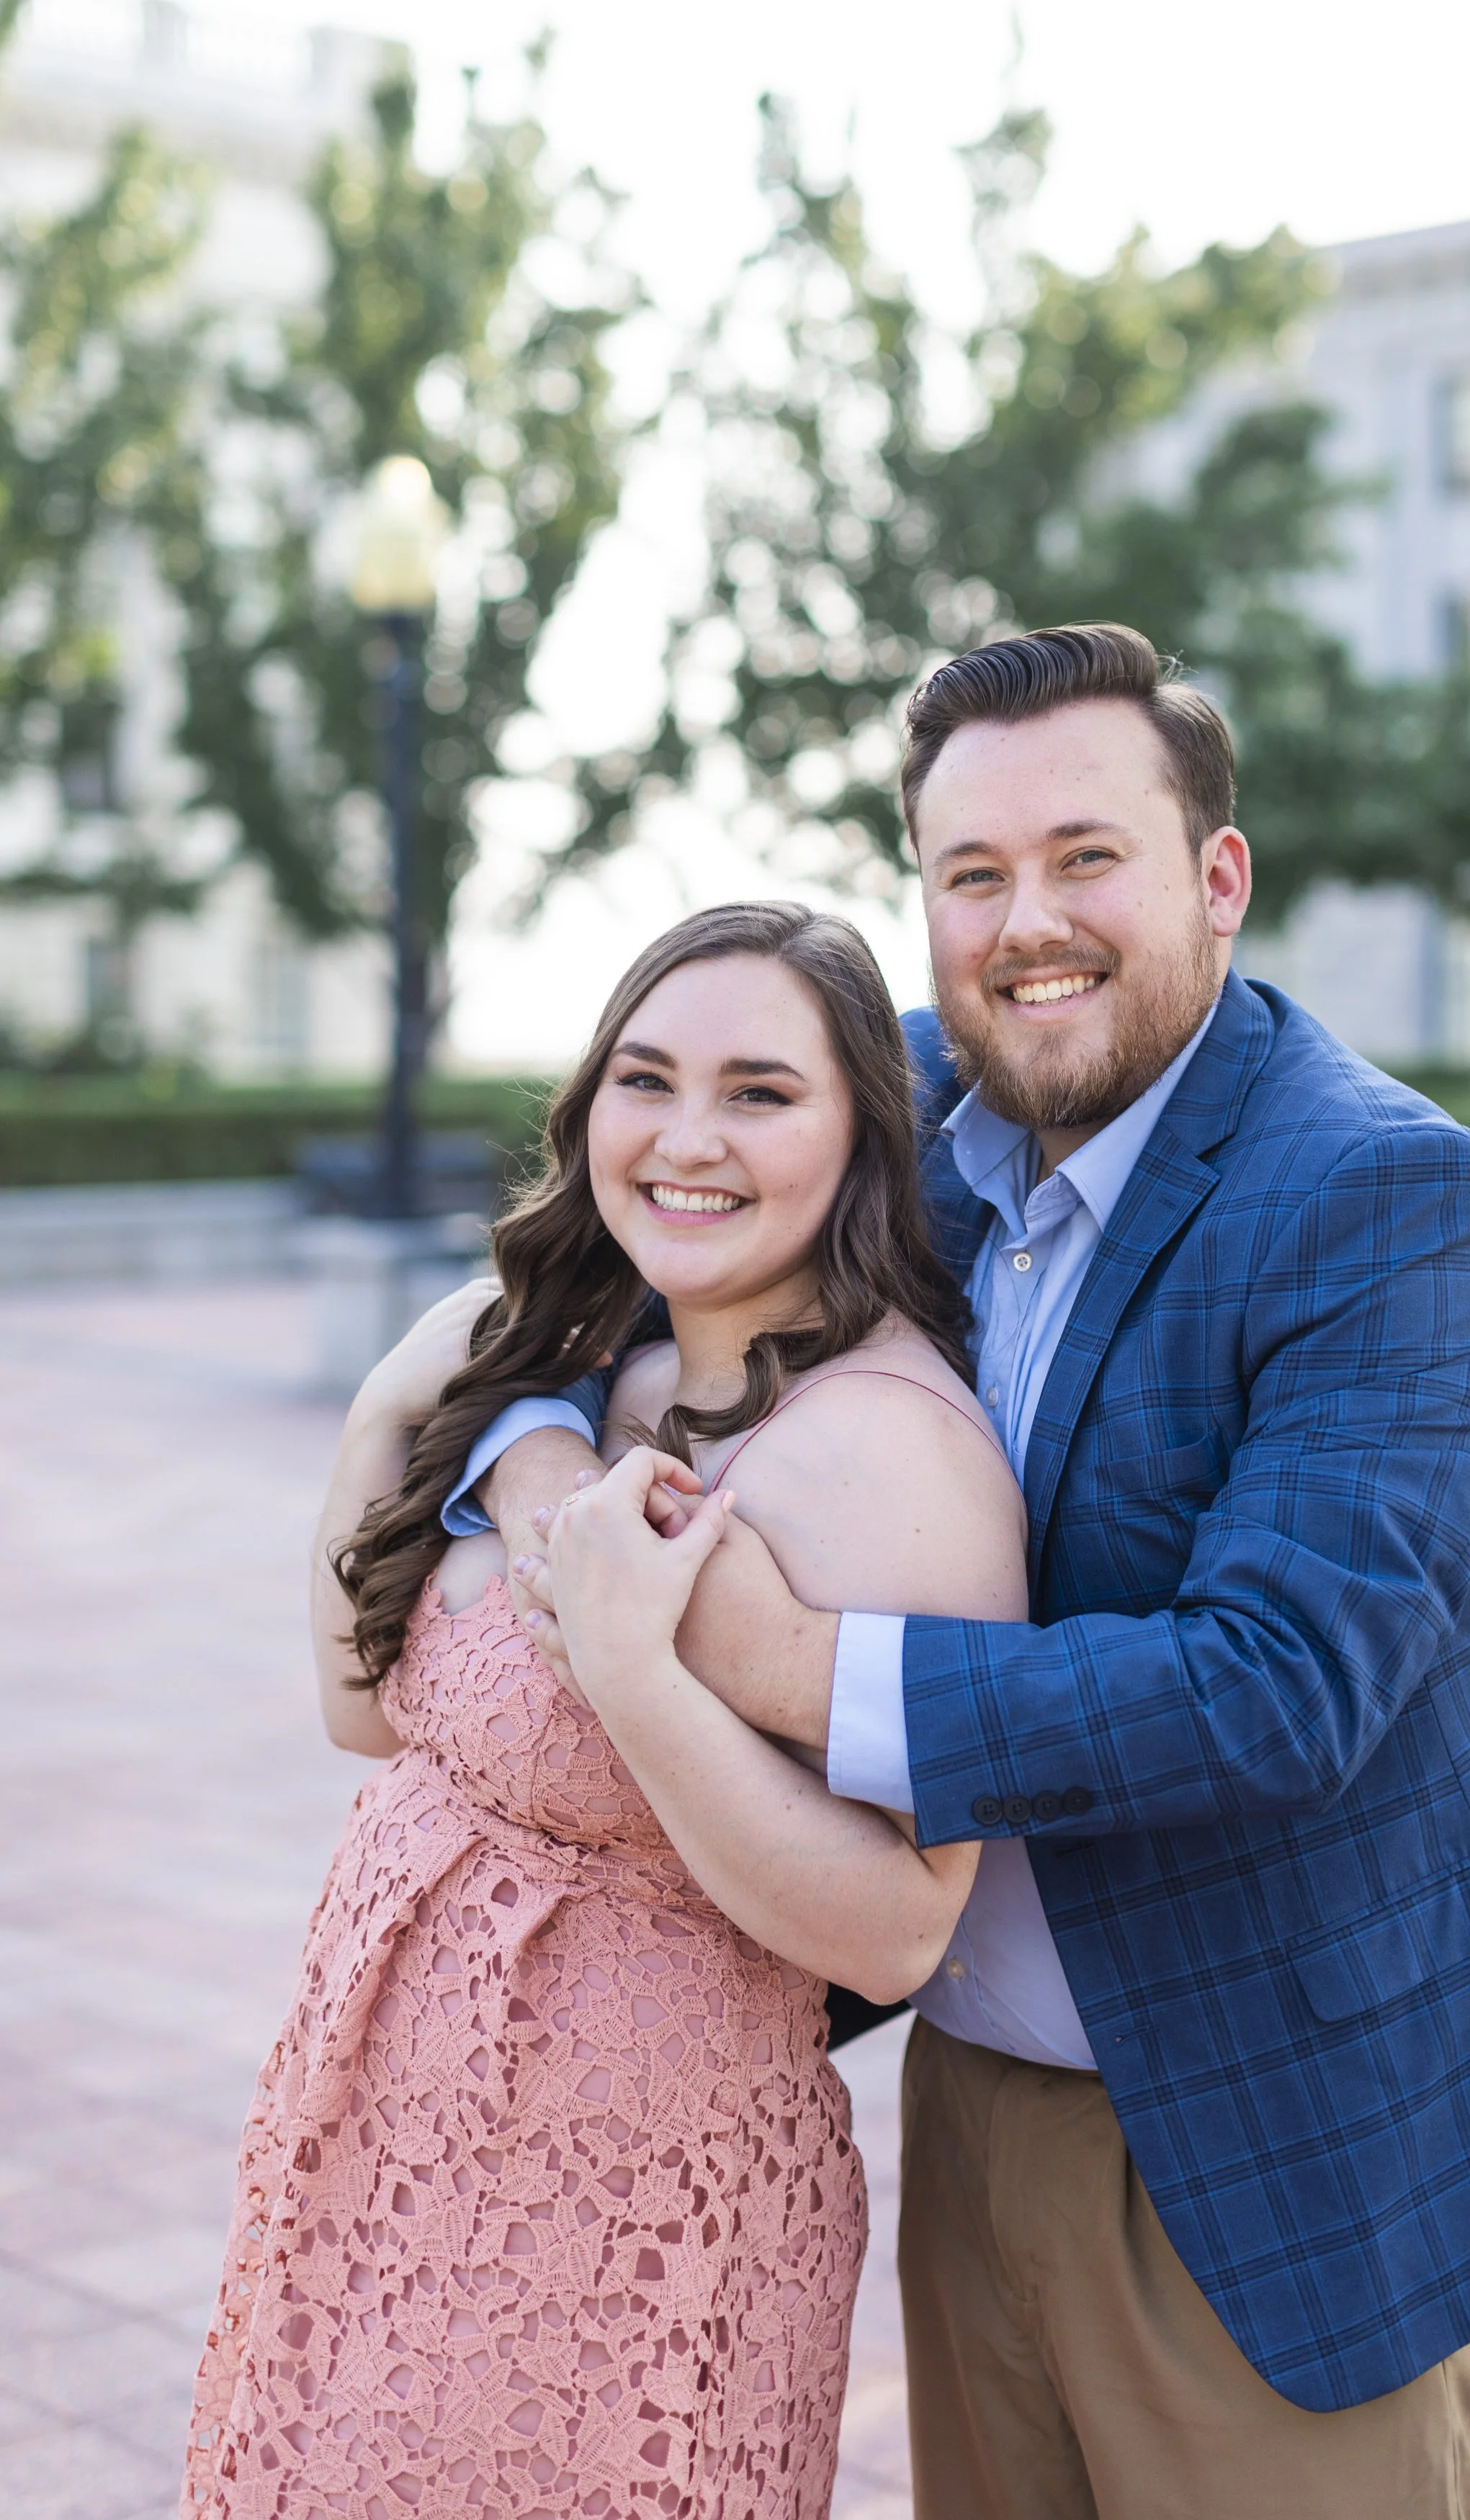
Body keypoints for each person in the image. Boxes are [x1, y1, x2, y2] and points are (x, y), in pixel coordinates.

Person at [465, 625, 1470, 2520]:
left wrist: (778, 1654)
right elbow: (588, 1273)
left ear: (1217, 877)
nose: (1024, 921)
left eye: (1084, 857)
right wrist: (556, 1483)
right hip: (971, 2101)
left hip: (1293, 2147)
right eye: (971, 873)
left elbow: (1272, 1685)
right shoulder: (906, 1130)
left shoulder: (1378, 1194)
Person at [181, 904, 1027, 2520]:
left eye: (759, 1092)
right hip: (386, 2153)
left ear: (862, 1136)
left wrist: (635, 1676)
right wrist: (388, 1411)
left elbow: (900, 1930)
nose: (687, 1138)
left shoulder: (889, 1453)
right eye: (647, 1078)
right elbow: (366, 1714)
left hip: (610, 2216)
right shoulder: (599, 1364)